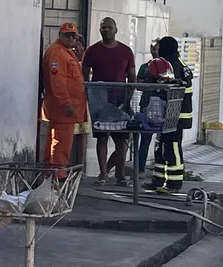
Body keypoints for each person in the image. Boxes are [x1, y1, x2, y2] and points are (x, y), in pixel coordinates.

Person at [83, 16, 136, 186]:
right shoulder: (92, 51)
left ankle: (120, 175)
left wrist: (128, 98)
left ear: (116, 29)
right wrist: (89, 93)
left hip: (120, 100)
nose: (105, 30)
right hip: (99, 102)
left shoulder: (126, 51)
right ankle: (103, 174)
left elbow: (132, 76)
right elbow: (84, 75)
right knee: (102, 138)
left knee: (122, 140)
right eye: (103, 27)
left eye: (109, 27)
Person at [145, 36, 194, 194]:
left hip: (176, 115)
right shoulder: (177, 63)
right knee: (160, 145)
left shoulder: (173, 66)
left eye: (160, 48)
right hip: (170, 114)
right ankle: (158, 180)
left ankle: (174, 183)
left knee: (171, 147)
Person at [40, 22, 87, 178]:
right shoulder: (57, 54)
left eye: (73, 35)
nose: (71, 38)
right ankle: (57, 179)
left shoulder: (66, 53)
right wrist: (66, 105)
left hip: (66, 109)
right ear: (60, 35)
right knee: (61, 146)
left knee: (58, 144)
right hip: (63, 110)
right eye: (67, 35)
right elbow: (58, 83)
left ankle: (51, 178)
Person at [135, 39, 161, 174]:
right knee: (145, 140)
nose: (154, 52)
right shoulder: (145, 67)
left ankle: (160, 169)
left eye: (157, 48)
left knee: (162, 141)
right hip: (146, 106)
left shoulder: (167, 67)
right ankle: (140, 169)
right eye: (152, 49)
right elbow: (138, 85)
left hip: (162, 108)